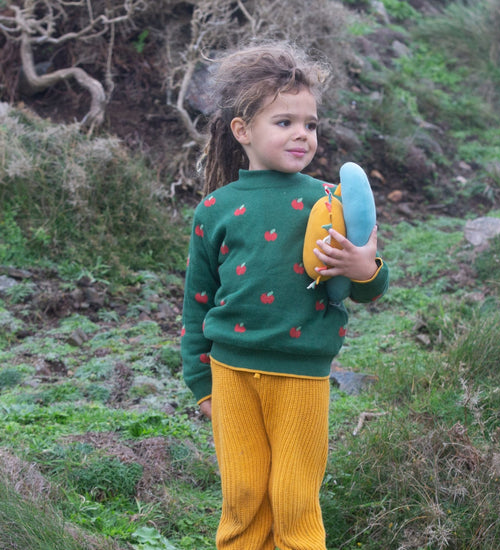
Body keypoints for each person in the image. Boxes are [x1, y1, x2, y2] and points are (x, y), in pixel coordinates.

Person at [181, 41, 389, 550]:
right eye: (285, 122)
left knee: (294, 501)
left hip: (301, 376)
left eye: (310, 124)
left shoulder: (328, 201)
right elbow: (197, 300)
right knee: (243, 498)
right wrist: (201, 381)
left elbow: (367, 288)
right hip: (231, 374)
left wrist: (364, 267)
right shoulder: (215, 209)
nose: (302, 134)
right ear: (242, 130)